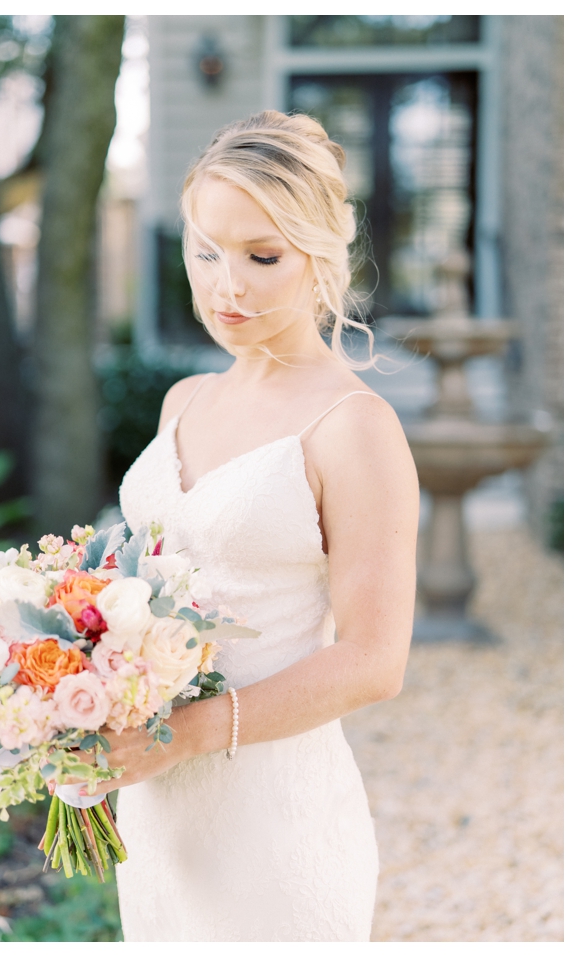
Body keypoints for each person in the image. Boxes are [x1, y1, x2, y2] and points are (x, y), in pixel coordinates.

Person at [98, 111, 419, 940]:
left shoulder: (355, 427)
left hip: (276, 821)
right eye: (205, 251)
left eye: (261, 257)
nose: (225, 286)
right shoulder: (184, 401)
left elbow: (375, 660)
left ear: (320, 257)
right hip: (161, 818)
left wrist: (188, 732)